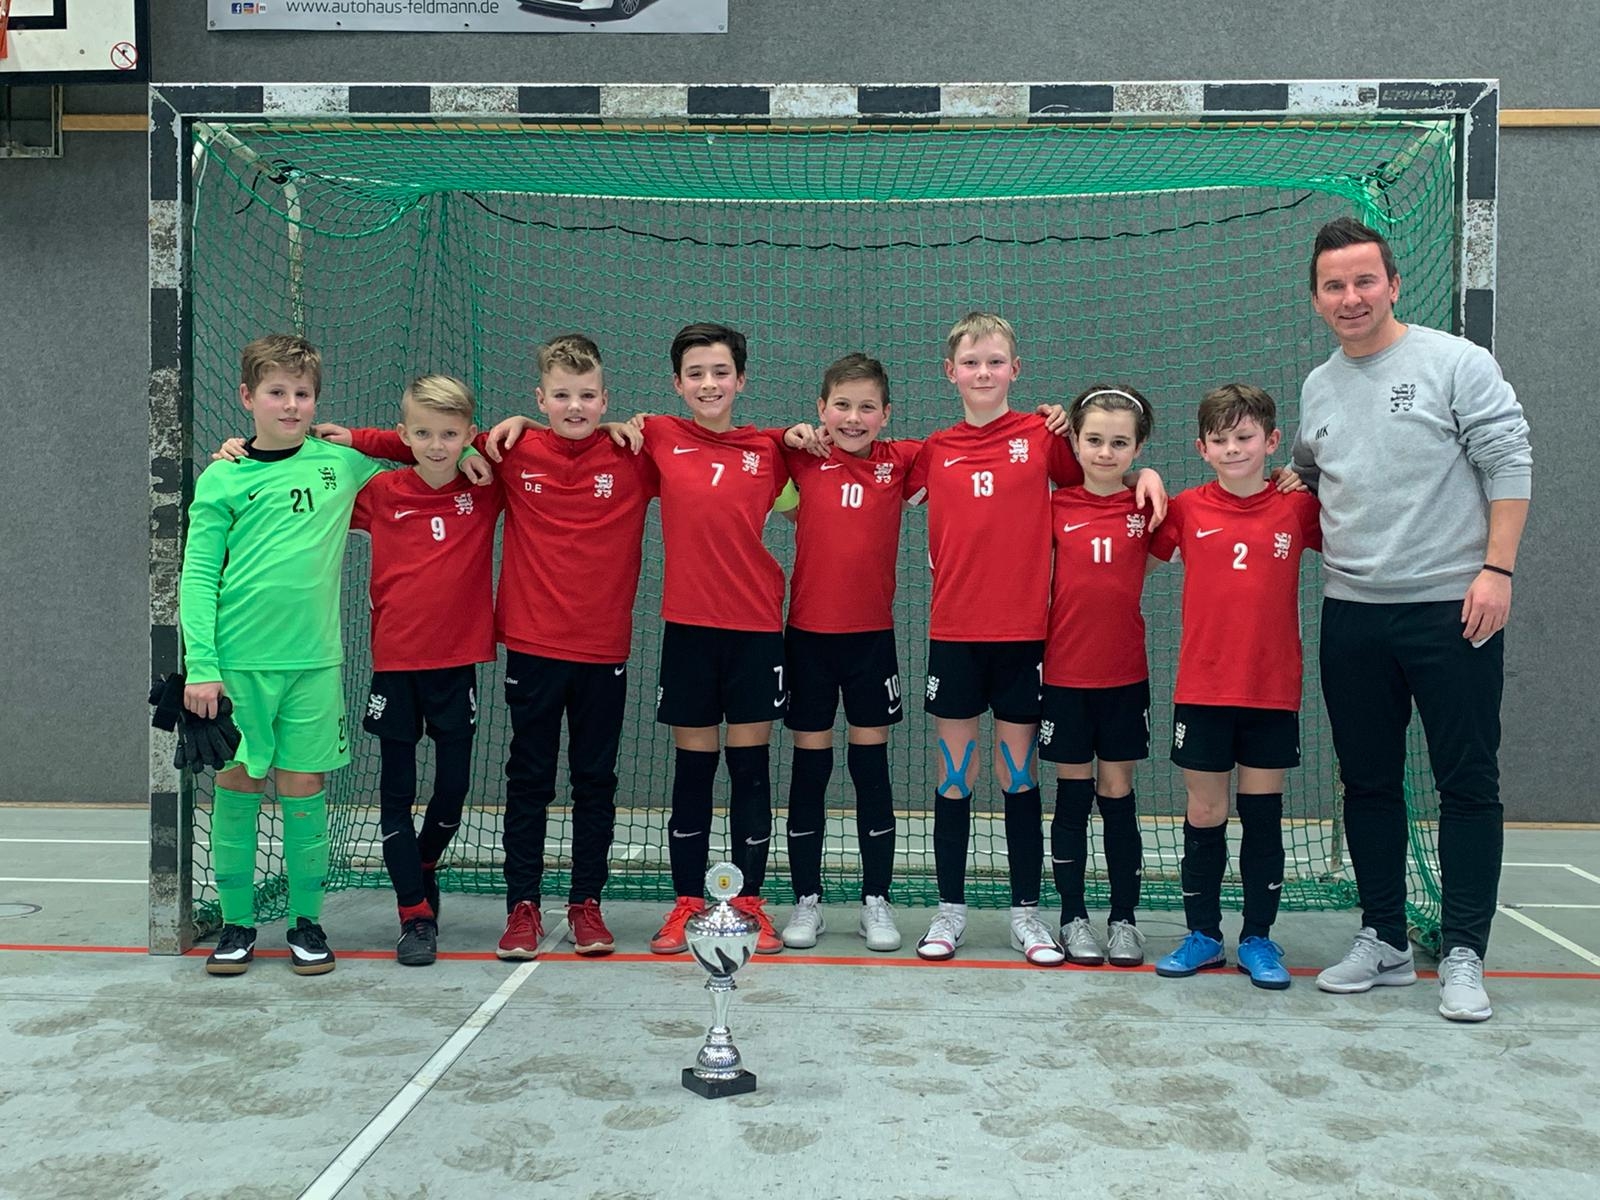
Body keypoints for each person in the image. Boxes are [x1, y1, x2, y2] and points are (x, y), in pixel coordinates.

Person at [1294, 217, 1531, 1021]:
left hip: (1452, 610)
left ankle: (1463, 951)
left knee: (1467, 781)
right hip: (1354, 617)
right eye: (1334, 285)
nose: (1351, 297)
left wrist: (1497, 571)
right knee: (1367, 782)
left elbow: (1509, 461)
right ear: (1317, 299)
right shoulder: (1319, 387)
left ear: (1393, 284)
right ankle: (1385, 937)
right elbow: (1307, 476)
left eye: (1365, 280)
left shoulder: (1455, 363)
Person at [904, 313, 1165, 964]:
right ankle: (949, 911)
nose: (983, 373)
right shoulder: (932, 450)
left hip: (1025, 638)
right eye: (971, 363)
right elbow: (865, 465)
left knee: (1018, 777)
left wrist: (1147, 476)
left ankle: (1027, 913)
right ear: (950, 372)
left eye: (995, 361)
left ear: (1015, 370)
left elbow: (1104, 475)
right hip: (955, 633)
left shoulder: (1043, 436)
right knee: (955, 777)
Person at [181, 334, 387, 977]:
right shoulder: (224, 474)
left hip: (314, 665)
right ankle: (237, 924)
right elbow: (197, 576)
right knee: (237, 787)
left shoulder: (339, 465)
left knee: (304, 790)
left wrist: (370, 439)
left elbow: (428, 453)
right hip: (237, 667)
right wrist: (203, 667)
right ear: (248, 397)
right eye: (276, 392)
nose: (291, 404)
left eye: (302, 393)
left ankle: (306, 923)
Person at [479, 335, 658, 960]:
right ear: (540, 398)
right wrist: (347, 439)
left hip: (603, 650)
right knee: (529, 778)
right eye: (561, 396)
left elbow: (709, 443)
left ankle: (586, 903)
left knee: (594, 781)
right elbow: (426, 439)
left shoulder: (634, 453)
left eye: (587, 396)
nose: (574, 406)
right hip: (533, 646)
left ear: (605, 400)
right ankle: (522, 906)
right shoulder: (511, 448)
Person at [1149, 383, 1321, 990]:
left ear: (1271, 441)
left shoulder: (1297, 508)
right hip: (1203, 688)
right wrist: (1144, 475)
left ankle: (1257, 938)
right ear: (1201, 448)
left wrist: (1312, 481)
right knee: (1204, 811)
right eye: (1219, 440)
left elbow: (1353, 518)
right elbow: (1135, 534)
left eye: (1245, 437)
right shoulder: (1186, 509)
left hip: (1270, 689)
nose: (1232, 449)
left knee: (1263, 815)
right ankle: (1202, 934)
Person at [639, 323, 793, 955]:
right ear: (677, 384)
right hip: (689, 630)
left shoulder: (773, 449)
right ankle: (686, 902)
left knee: (750, 770)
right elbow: (585, 435)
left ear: (741, 380)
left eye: (721, 372)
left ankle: (750, 901)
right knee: (693, 771)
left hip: (755, 628)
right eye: (696, 374)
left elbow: (809, 502)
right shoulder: (655, 435)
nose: (709, 383)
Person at [344, 376, 500, 967]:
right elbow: (309, 462)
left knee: (454, 790)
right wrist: (238, 453)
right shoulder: (379, 491)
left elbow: (520, 442)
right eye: (424, 434)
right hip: (396, 666)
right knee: (396, 793)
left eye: (451, 435)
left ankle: (424, 861)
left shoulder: (485, 487)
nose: (437, 446)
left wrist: (474, 451)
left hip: (456, 665)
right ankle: (414, 914)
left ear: (468, 434)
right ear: (404, 434)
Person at [775, 354, 922, 953]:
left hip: (871, 640)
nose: (854, 417)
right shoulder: (801, 458)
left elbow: (970, 453)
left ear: (886, 414)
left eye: (867, 407)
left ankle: (875, 900)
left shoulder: (902, 461)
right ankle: (806, 899)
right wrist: (789, 434)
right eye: (842, 405)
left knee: (870, 770)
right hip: (808, 637)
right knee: (810, 769)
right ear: (821, 409)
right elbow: (757, 442)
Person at [1040, 385, 1157, 967]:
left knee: (1117, 794)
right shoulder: (1054, 506)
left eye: (1119, 443)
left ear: (1137, 448)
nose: (1105, 452)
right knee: (1072, 795)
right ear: (1076, 444)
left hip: (1124, 676)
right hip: (1065, 675)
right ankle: (1073, 918)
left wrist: (1148, 479)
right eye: (1094, 440)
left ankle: (1124, 920)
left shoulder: (1148, 507)